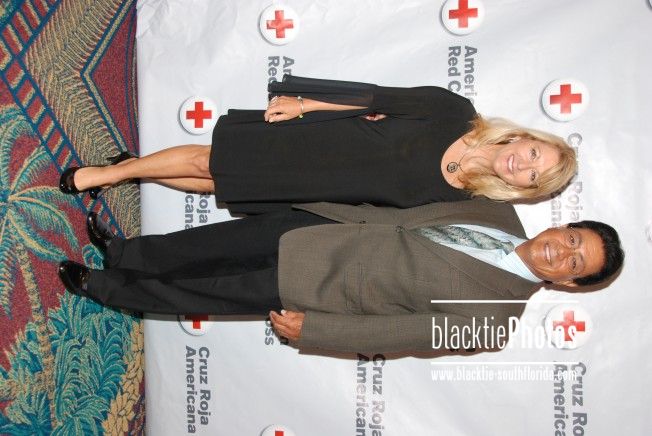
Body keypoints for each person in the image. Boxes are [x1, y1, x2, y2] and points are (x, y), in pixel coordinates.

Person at [58, 199, 623, 354]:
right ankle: (127, 253)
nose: (562, 253)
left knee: (205, 289)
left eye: (575, 264)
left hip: (322, 285)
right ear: (565, 224)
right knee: (208, 244)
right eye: (573, 239)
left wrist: (320, 331)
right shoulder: (497, 210)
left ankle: (104, 287)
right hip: (322, 223)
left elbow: (402, 336)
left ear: (568, 285)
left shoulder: (494, 325)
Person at [59, 76, 577, 214]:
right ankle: (111, 174)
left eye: (533, 176)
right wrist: (305, 105)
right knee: (207, 160)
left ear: (524, 188)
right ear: (525, 137)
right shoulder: (453, 111)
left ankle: (134, 167)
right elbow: (376, 97)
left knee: (214, 185)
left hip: (320, 189)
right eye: (534, 154)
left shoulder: (463, 198)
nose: (523, 165)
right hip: (318, 142)